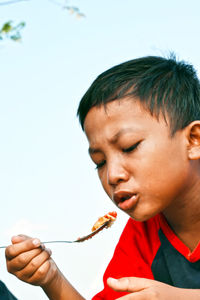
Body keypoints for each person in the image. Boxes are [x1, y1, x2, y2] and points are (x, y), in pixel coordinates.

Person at [4, 54, 200, 299]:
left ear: (193, 140)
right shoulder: (143, 234)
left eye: (129, 147)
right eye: (100, 162)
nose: (112, 175)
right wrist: (50, 278)